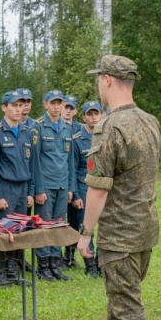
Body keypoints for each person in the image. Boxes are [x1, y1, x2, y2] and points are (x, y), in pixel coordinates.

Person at [77, 55, 161, 320]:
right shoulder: (149, 120)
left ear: (108, 80)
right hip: (145, 228)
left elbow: (98, 189)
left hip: (120, 232)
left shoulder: (110, 126)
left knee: (127, 303)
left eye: (98, 78)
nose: (98, 84)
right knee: (121, 292)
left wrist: (85, 235)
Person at [0, 90, 43, 284]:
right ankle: (0, 271)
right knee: (4, 231)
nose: (18, 110)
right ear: (4, 108)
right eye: (14, 106)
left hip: (22, 188)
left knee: (19, 231)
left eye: (21, 106)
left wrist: (30, 192)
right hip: (5, 187)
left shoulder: (28, 132)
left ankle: (13, 270)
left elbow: (32, 165)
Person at [33, 90, 76, 282]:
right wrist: (38, 189)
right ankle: (43, 265)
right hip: (46, 184)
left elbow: (70, 162)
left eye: (60, 103)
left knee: (58, 224)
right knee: (44, 225)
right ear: (46, 105)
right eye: (53, 103)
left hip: (62, 183)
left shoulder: (67, 128)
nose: (57, 106)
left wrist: (70, 188)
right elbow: (35, 162)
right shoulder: (38, 127)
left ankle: (54, 264)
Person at [71, 100, 103, 278]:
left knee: (104, 224)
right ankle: (90, 263)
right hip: (84, 186)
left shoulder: (106, 136)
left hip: (103, 186)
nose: (93, 117)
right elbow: (73, 169)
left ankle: (102, 261)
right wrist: (76, 194)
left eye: (96, 113)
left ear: (101, 115)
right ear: (83, 117)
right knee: (86, 225)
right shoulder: (77, 139)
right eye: (89, 114)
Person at [62, 94, 83, 270]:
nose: (67, 111)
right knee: (61, 221)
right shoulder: (56, 126)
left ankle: (70, 255)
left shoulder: (80, 129)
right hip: (61, 180)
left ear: (75, 110)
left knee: (76, 222)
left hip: (75, 183)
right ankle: (55, 258)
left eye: (71, 108)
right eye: (65, 107)